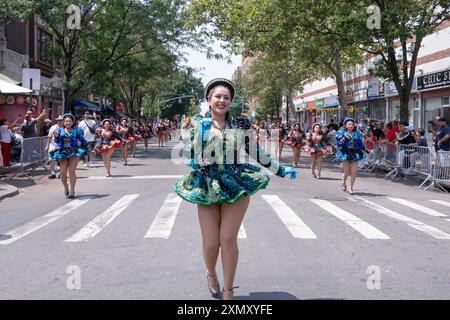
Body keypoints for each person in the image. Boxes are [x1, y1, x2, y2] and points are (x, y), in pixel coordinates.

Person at [173, 78, 296, 300]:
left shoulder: (240, 125)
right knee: (211, 242)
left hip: (235, 183)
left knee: (228, 238)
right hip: (206, 183)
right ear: (209, 100)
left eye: (226, 97)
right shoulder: (198, 124)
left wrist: (280, 170)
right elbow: (190, 155)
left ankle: (229, 290)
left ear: (231, 101)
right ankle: (211, 274)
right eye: (217, 96)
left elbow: (256, 151)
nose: (222, 100)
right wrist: (188, 135)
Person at [51, 113, 90, 199]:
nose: (68, 122)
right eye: (66, 121)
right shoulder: (59, 131)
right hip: (63, 153)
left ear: (72, 122)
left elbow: (83, 140)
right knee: (62, 173)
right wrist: (56, 137)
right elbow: (56, 141)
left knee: (72, 172)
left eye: (69, 121)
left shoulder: (77, 131)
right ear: (63, 122)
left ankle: (72, 190)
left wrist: (88, 148)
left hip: (74, 153)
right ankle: (66, 187)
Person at [336, 117, 366, 195]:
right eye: (349, 124)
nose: (351, 125)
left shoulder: (357, 133)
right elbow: (339, 143)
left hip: (355, 154)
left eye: (352, 124)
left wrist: (366, 149)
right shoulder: (341, 133)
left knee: (354, 171)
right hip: (345, 153)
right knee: (346, 172)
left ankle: (351, 187)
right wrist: (344, 137)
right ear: (345, 125)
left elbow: (360, 144)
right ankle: (343, 181)